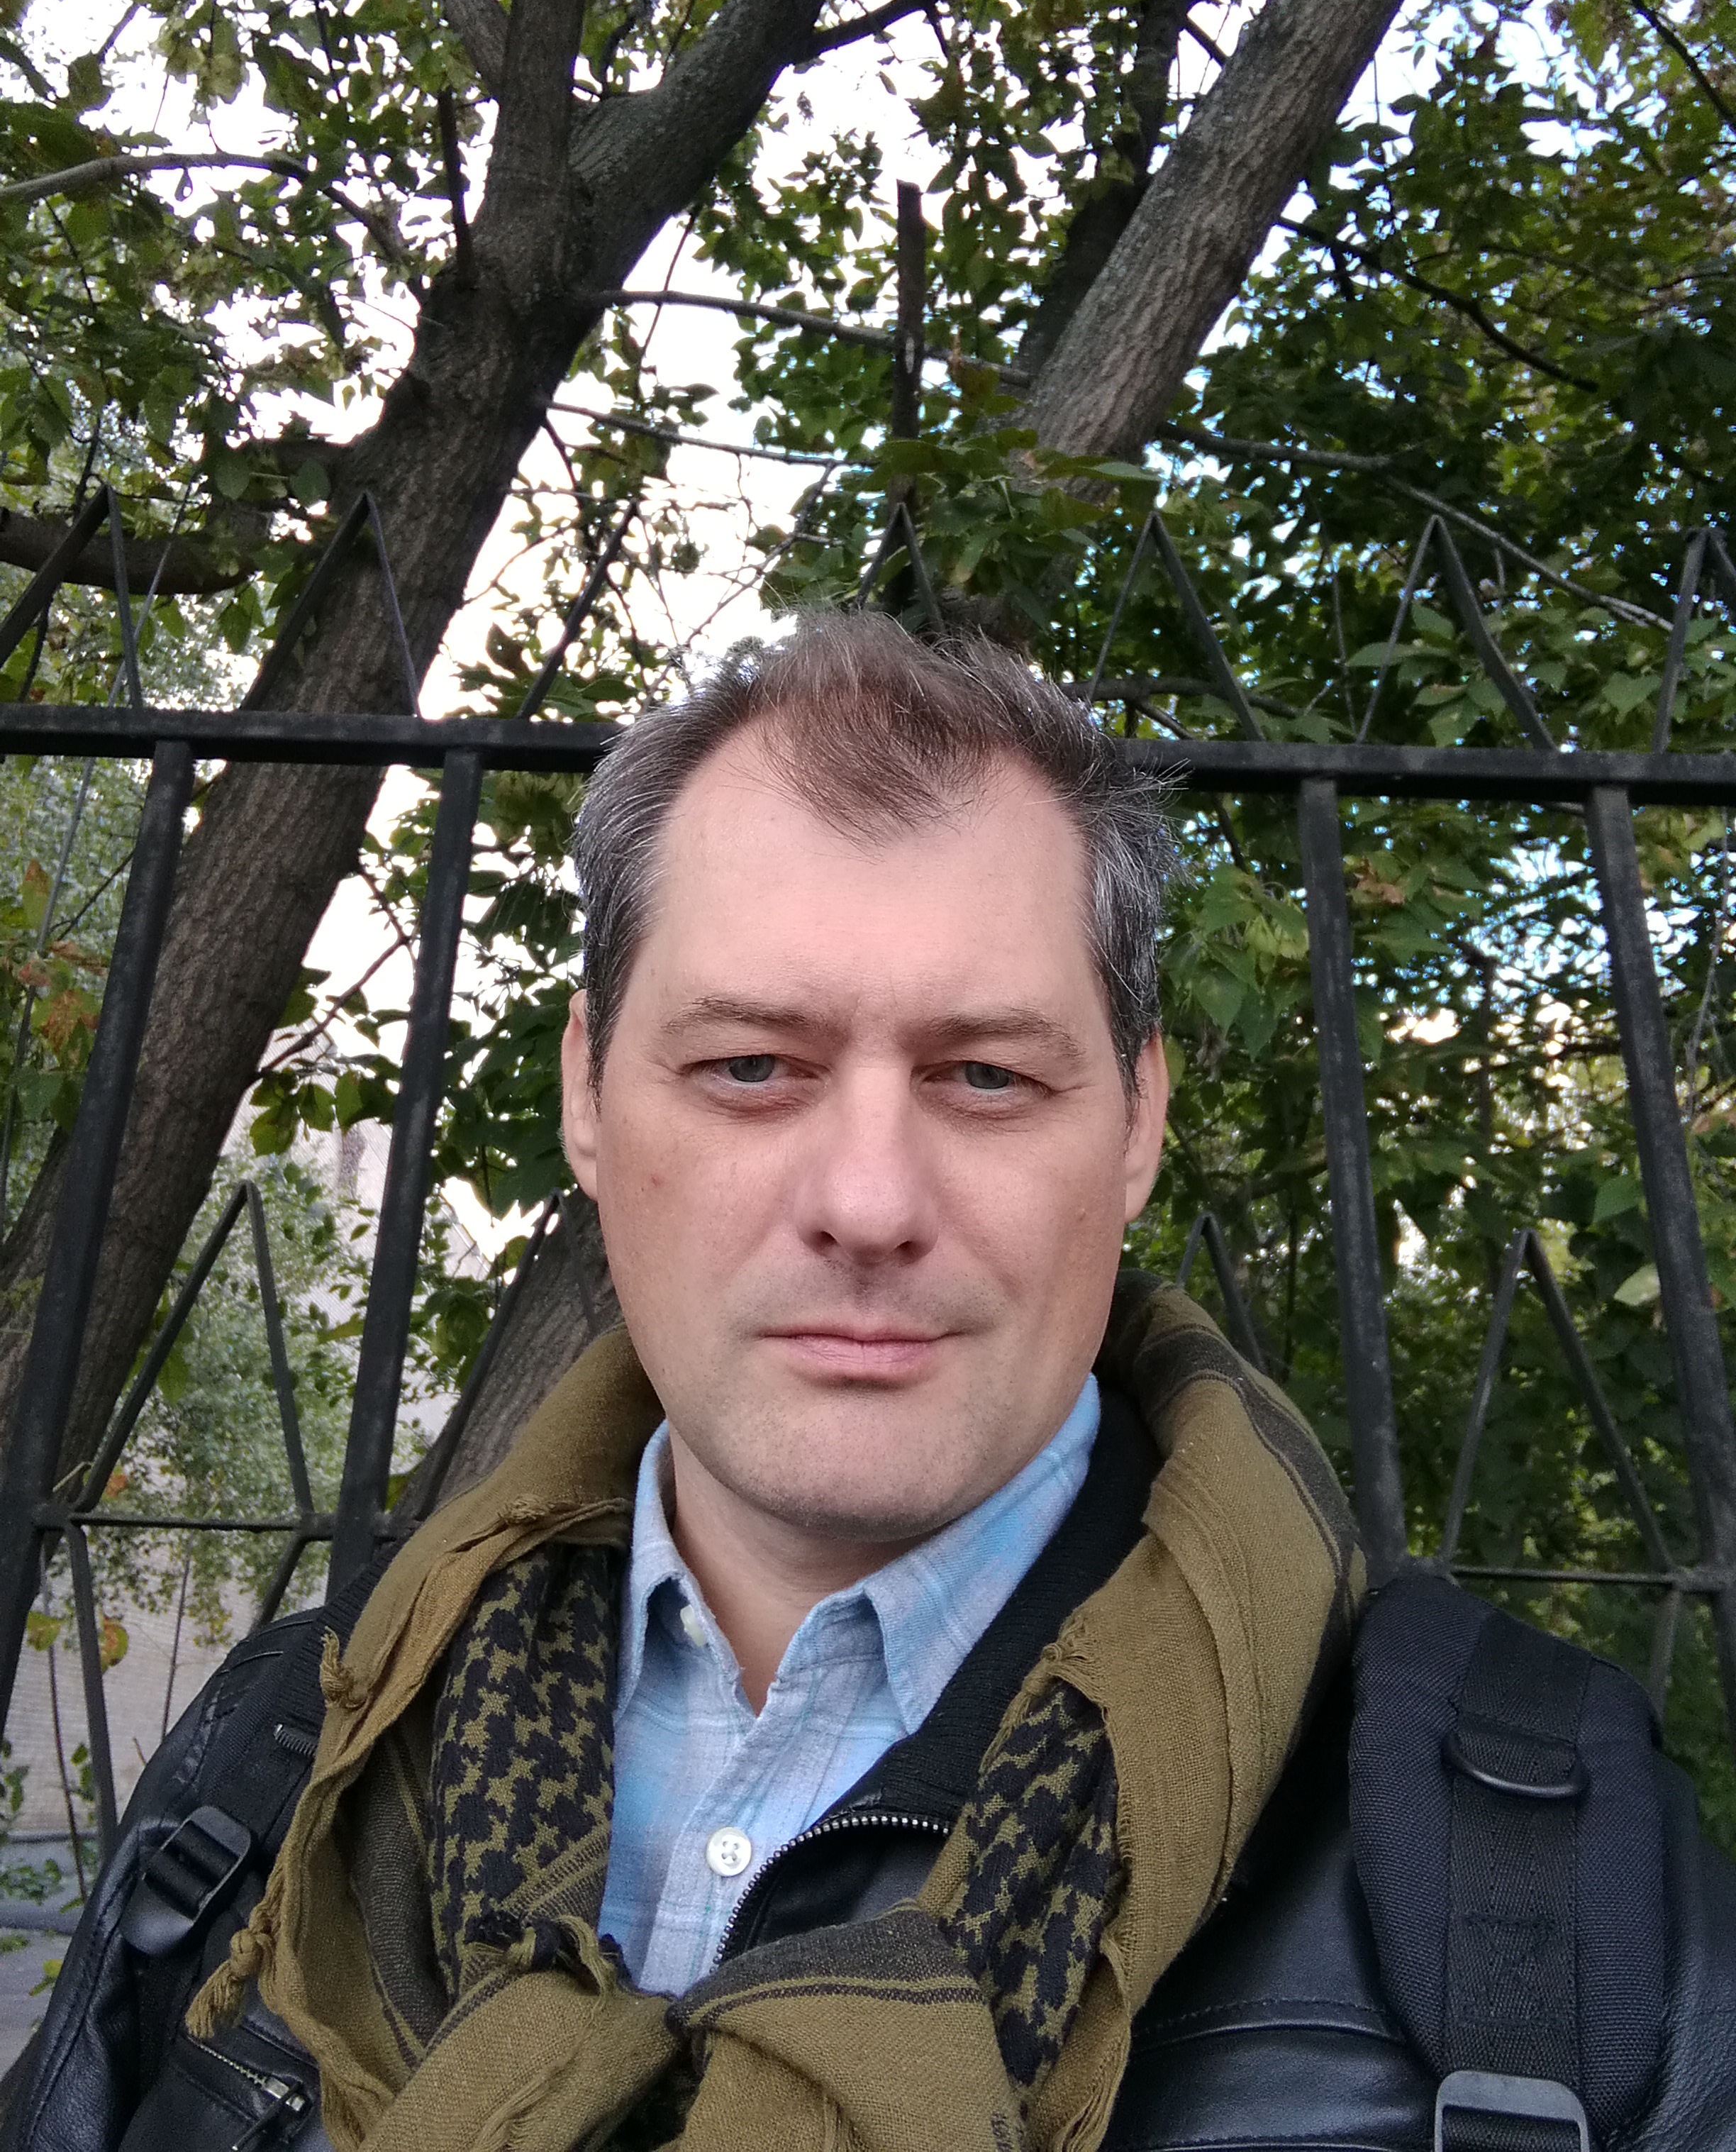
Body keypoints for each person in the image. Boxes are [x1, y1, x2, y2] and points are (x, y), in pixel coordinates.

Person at [7, 615, 1735, 2152]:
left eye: (985, 1078)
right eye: (752, 1065)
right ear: (590, 1097)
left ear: (1137, 1122)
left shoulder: (1537, 1879)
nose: (869, 1203)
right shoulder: (296, 1745)